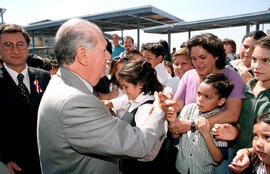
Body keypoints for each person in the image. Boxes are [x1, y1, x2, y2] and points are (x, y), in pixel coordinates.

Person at [37, 18, 167, 174]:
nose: (108, 57)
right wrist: (158, 110)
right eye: (104, 50)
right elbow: (139, 144)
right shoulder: (75, 101)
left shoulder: (65, 85)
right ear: (82, 55)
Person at [165, 33, 245, 173]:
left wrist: (192, 125)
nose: (197, 63)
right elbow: (178, 104)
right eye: (194, 58)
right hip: (189, 150)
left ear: (216, 55)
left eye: (203, 57)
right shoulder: (189, 75)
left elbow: (232, 114)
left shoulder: (232, 77)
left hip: (218, 147)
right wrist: (166, 104)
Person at [0, 24, 51, 174]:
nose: (15, 50)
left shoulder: (44, 76)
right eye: (8, 45)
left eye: (20, 44)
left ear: (28, 47)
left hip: (47, 159)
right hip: (14, 165)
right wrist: (4, 158)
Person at [166, 73, 234, 173]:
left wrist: (206, 134)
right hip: (180, 168)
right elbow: (176, 137)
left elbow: (218, 158)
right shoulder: (187, 109)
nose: (200, 100)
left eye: (207, 97)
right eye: (199, 94)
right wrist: (173, 122)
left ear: (221, 101)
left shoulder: (220, 122)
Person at [231, 36, 270, 168]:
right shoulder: (243, 88)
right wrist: (232, 129)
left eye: (265, 60)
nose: (257, 66)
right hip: (236, 158)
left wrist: (249, 152)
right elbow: (238, 121)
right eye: (254, 59)